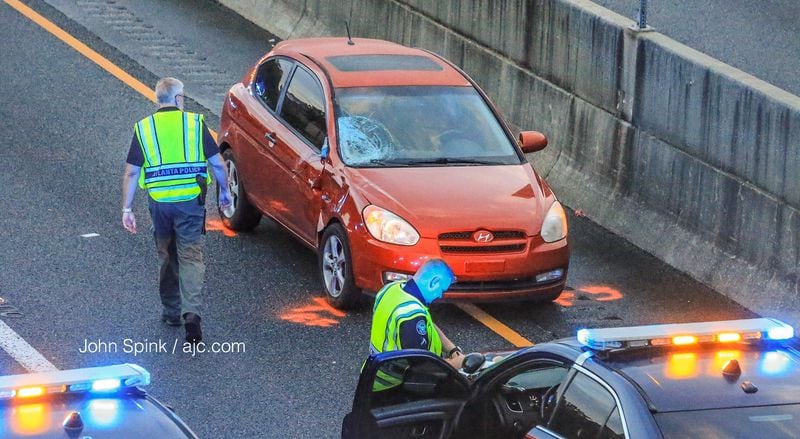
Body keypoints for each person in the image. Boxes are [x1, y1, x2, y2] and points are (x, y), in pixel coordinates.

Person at [121, 77, 232, 344]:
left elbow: (132, 172)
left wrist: (127, 208)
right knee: (191, 258)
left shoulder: (144, 128)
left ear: (158, 98)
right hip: (190, 203)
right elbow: (217, 164)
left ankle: (171, 312)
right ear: (179, 98)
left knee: (167, 255)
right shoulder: (194, 124)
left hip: (159, 205)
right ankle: (191, 314)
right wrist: (226, 193)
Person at [369, 259, 465, 369]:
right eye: (441, 290)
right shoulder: (411, 317)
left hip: (376, 370)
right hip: (394, 380)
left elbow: (428, 325)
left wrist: (452, 349)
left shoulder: (391, 289)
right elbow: (422, 369)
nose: (440, 295)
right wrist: (457, 364)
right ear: (434, 282)